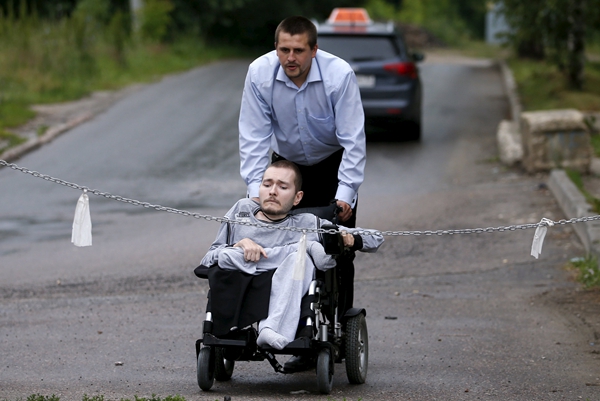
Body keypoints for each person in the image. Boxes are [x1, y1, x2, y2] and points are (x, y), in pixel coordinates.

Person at [238, 16, 366, 367]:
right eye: (283, 49)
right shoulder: (260, 73)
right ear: (276, 47)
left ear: (314, 50)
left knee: (335, 248)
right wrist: (255, 191)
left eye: (298, 50)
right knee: (284, 247)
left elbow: (353, 139)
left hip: (331, 163)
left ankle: (337, 330)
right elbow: (253, 134)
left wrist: (346, 193)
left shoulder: (339, 76)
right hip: (288, 165)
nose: (290, 57)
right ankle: (294, 333)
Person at [200, 161, 383, 352]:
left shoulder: (306, 224)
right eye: (267, 184)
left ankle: (270, 328)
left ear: (297, 197)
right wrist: (237, 245)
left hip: (289, 281)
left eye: (282, 186)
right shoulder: (242, 211)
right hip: (244, 284)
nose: (272, 191)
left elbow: (376, 238)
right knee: (229, 257)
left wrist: (352, 239)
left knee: (302, 255)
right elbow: (208, 259)